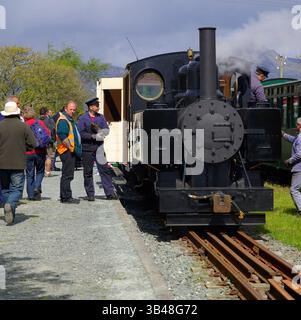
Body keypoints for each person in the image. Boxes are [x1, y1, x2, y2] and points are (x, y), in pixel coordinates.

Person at [0, 101, 36, 225]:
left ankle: (9, 210)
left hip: (1, 163)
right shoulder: (24, 126)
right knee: (16, 189)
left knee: (5, 189)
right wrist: (23, 147)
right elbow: (33, 143)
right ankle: (10, 205)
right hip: (18, 162)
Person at [78, 97, 117, 201]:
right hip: (87, 148)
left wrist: (100, 131)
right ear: (91, 107)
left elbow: (106, 130)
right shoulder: (83, 118)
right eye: (97, 106)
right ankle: (90, 194)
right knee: (88, 172)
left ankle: (110, 193)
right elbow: (81, 133)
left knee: (104, 170)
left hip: (99, 148)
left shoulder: (101, 117)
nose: (98, 107)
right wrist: (92, 136)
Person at [56, 101, 82, 204]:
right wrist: (72, 148)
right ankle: (65, 197)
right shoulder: (64, 120)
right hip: (67, 151)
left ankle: (67, 195)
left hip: (69, 150)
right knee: (67, 175)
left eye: (74, 109)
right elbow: (62, 136)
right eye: (71, 109)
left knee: (68, 174)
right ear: (66, 109)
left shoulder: (68, 119)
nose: (72, 111)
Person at [23, 106, 51, 200]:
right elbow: (47, 133)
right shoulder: (39, 122)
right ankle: (37, 186)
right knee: (40, 171)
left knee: (29, 174)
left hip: (28, 152)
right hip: (40, 151)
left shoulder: (24, 125)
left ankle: (30, 195)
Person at [282, 118, 301, 216]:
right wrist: (283, 134)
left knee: (294, 189)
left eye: (297, 125)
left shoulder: (300, 138)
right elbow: (293, 139)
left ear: (299, 125)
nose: (296, 127)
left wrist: (289, 160)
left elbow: (299, 154)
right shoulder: (298, 137)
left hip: (299, 168)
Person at [39, 107, 56, 177]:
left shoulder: (37, 120)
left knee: (41, 157)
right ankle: (47, 172)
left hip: (39, 141)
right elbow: (53, 129)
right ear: (46, 113)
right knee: (49, 156)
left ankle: (41, 171)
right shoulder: (50, 120)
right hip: (48, 141)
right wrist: (53, 139)